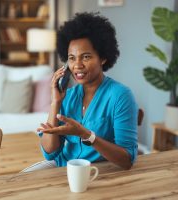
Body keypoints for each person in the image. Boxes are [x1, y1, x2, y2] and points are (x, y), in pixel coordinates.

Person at [31, 12, 138, 171]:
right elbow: (50, 152)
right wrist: (56, 102)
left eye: (86, 57)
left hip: (97, 173)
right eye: (72, 58)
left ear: (102, 58)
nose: (77, 65)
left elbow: (127, 160)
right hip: (63, 168)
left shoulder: (120, 96)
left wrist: (87, 135)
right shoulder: (68, 96)